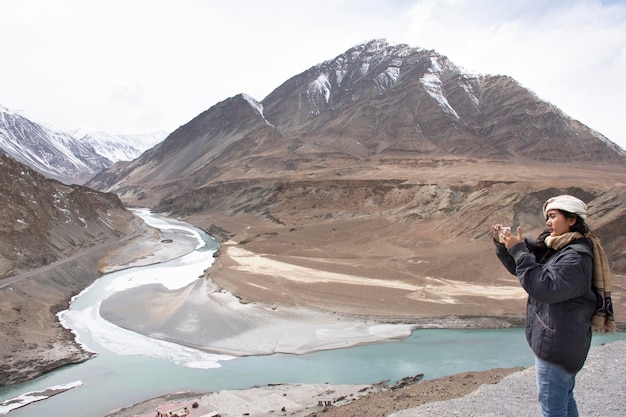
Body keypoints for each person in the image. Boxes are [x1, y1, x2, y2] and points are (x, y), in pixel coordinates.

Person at [491, 194, 615, 417]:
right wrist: (504, 247)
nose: (548, 222)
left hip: (558, 345)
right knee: (564, 401)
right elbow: (524, 271)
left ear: (572, 220)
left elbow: (543, 288)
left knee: (552, 408)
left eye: (553, 216)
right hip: (561, 340)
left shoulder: (574, 258)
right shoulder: (558, 248)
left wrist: (519, 250)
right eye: (547, 217)